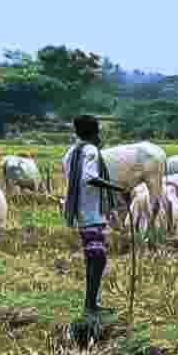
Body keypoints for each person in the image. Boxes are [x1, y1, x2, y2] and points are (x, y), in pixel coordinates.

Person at [62, 116, 114, 314]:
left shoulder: (72, 152)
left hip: (79, 211)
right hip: (91, 212)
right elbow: (90, 178)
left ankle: (92, 303)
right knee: (98, 257)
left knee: (93, 256)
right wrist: (116, 187)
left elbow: (72, 176)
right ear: (95, 132)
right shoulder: (90, 150)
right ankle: (91, 305)